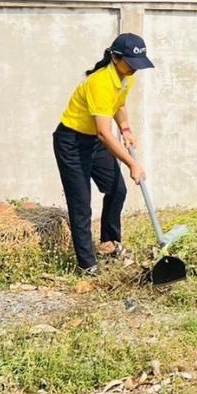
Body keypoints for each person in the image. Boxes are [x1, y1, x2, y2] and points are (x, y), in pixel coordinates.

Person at [53, 33, 153, 275]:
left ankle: (109, 245)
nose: (134, 69)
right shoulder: (99, 82)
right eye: (130, 63)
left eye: (138, 65)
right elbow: (104, 134)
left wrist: (126, 128)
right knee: (81, 205)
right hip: (72, 142)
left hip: (94, 141)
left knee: (117, 189)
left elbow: (118, 104)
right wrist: (132, 164)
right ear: (115, 58)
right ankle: (88, 266)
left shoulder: (126, 76)